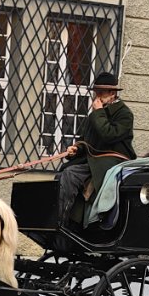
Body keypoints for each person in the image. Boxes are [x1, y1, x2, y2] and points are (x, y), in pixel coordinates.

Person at [57, 72, 136, 224]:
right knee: (62, 173)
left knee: (70, 174)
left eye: (101, 92)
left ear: (112, 93)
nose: (97, 96)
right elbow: (85, 139)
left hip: (112, 162)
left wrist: (98, 113)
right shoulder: (96, 113)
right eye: (96, 92)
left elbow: (109, 135)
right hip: (94, 160)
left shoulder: (125, 114)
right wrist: (76, 149)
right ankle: (66, 219)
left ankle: (61, 221)